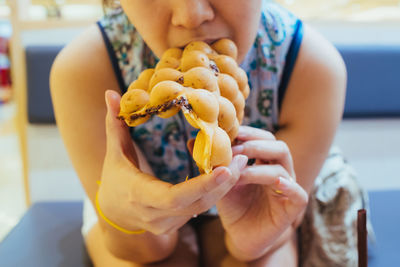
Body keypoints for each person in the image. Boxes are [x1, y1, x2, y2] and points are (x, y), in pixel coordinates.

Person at [50, 0, 370, 266]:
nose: (191, 15)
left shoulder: (309, 67)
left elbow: (267, 241)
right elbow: (145, 250)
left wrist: (256, 239)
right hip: (136, 227)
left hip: (258, 204)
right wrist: (125, 217)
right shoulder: (85, 69)